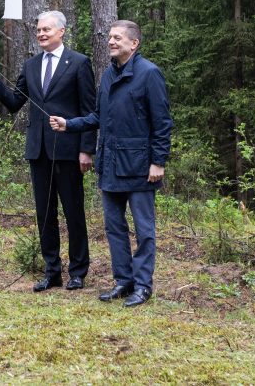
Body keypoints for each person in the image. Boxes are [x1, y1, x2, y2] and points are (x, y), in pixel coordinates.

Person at [50, 20, 172, 307]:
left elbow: (162, 123)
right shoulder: (107, 75)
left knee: (144, 230)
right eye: (109, 37)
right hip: (111, 165)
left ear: (134, 43)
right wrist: (69, 124)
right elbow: (97, 117)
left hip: (141, 166)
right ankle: (123, 281)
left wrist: (158, 161)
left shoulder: (149, 74)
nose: (111, 42)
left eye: (117, 38)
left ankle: (143, 285)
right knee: (114, 227)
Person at [0, 10, 97, 292]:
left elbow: (90, 110)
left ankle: (78, 272)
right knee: (45, 214)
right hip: (39, 152)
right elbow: (14, 102)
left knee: (73, 212)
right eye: (38, 30)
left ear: (62, 32)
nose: (41, 34)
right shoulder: (31, 65)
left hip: (69, 151)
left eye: (47, 29)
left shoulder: (79, 63)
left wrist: (86, 150)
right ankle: (52, 271)